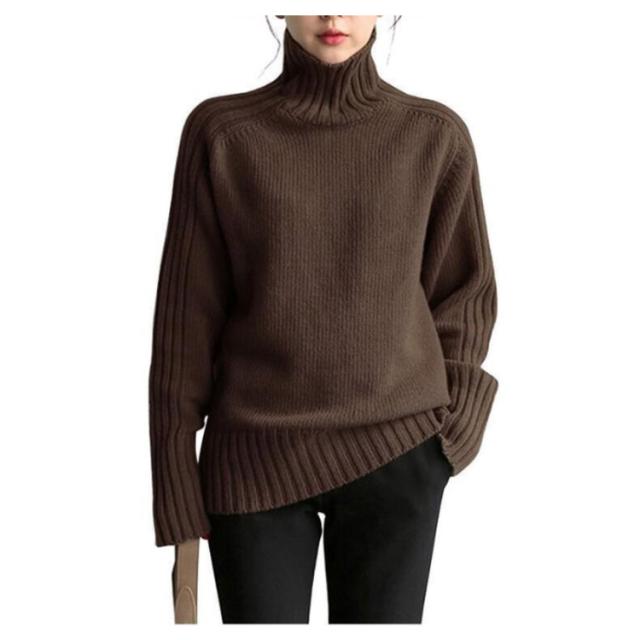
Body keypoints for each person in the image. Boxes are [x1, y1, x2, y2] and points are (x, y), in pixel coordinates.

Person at [148, 14, 499, 624]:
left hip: (397, 453)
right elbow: (185, 326)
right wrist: (175, 479)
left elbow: (464, 295)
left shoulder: (434, 136)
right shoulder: (223, 133)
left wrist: (449, 438)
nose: (334, 15)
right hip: (252, 463)